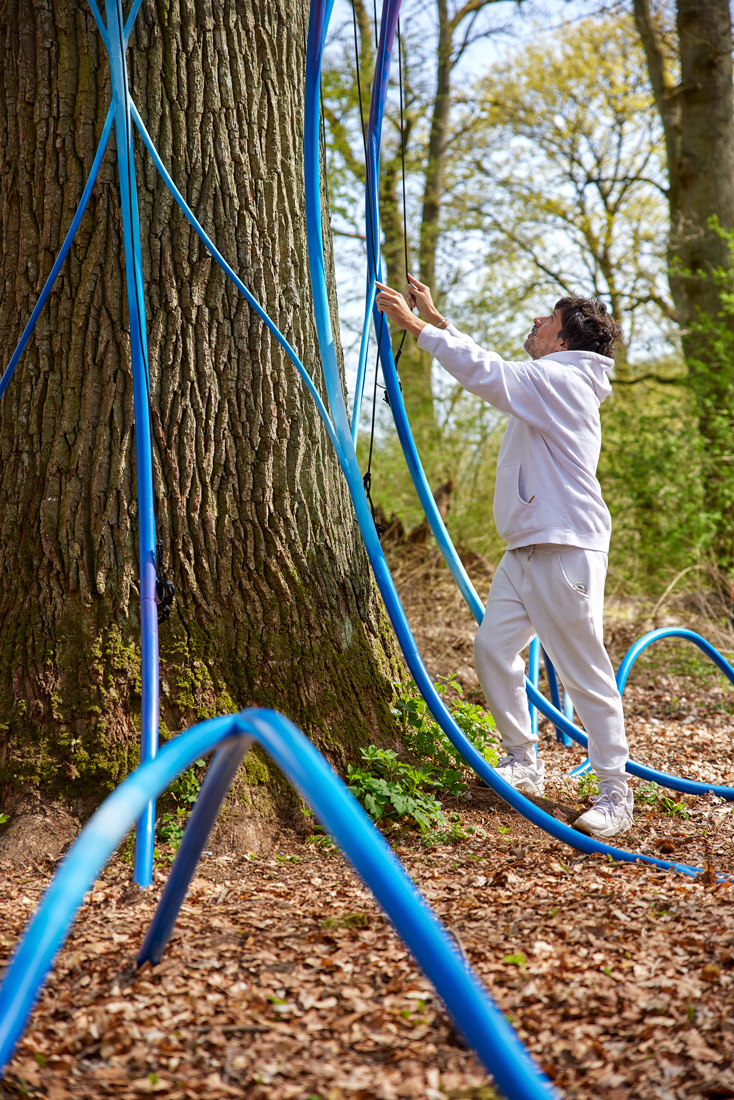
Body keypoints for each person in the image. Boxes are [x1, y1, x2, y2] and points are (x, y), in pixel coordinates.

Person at [374, 273, 633, 838]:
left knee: (584, 669)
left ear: (564, 342)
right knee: (494, 648)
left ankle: (615, 792)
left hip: (565, 544)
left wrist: (417, 327)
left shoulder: (563, 382)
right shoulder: (551, 377)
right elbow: (496, 367)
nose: (536, 323)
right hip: (527, 545)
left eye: (547, 320)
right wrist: (438, 320)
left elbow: (490, 374)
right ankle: (523, 762)